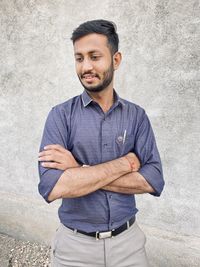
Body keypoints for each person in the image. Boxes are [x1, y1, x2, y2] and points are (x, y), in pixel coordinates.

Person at [38, 19, 164, 267]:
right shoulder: (60, 115)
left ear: (115, 60)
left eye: (95, 57)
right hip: (74, 248)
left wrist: (78, 171)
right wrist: (125, 163)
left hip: (129, 245)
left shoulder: (136, 116)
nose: (86, 66)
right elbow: (52, 187)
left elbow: (153, 179)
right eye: (79, 58)